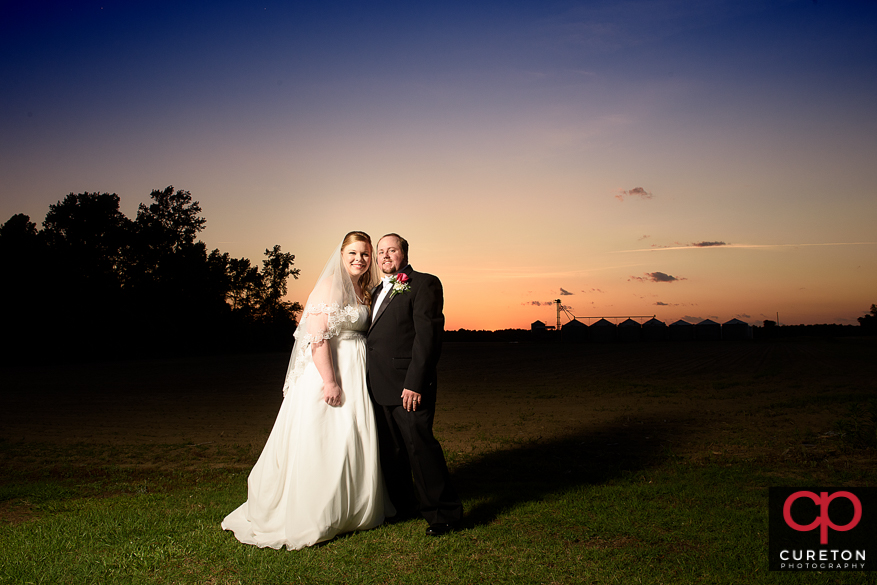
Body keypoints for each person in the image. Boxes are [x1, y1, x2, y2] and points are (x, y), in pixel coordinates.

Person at [222, 231, 393, 550]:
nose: (359, 259)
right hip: (330, 373)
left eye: (365, 254)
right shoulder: (329, 287)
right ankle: (317, 512)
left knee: (351, 439)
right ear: (341, 254)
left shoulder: (363, 290)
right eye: (354, 253)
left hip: (357, 373)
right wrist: (330, 382)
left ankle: (352, 510)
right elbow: (317, 339)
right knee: (326, 440)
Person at [366, 233, 463, 536]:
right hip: (376, 385)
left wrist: (415, 383)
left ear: (404, 253)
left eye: (391, 250)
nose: (385, 256)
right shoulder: (374, 291)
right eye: (380, 251)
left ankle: (444, 514)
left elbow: (428, 338)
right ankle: (402, 506)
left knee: (420, 448)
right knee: (391, 451)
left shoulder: (423, 283)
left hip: (408, 386)